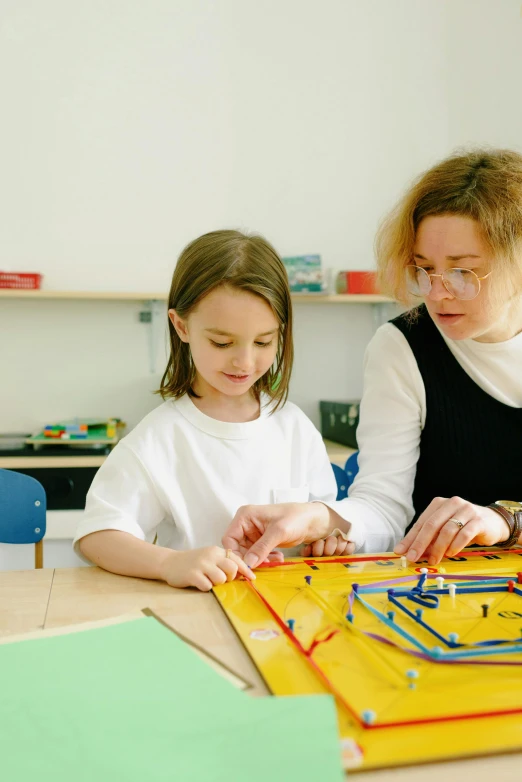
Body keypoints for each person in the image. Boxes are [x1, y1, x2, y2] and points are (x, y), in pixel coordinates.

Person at [223, 149, 522, 568]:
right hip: (447, 594)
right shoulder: (401, 347)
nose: (436, 294)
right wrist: (321, 518)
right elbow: (384, 507)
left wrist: (504, 520)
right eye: (423, 269)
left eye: (462, 272)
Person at [74, 230, 337, 590]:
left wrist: (327, 540)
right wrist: (170, 563)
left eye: (264, 341)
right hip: (197, 614)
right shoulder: (159, 437)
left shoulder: (295, 428)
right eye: (222, 342)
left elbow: (327, 521)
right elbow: (97, 536)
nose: (244, 361)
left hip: (286, 616)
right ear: (181, 326)